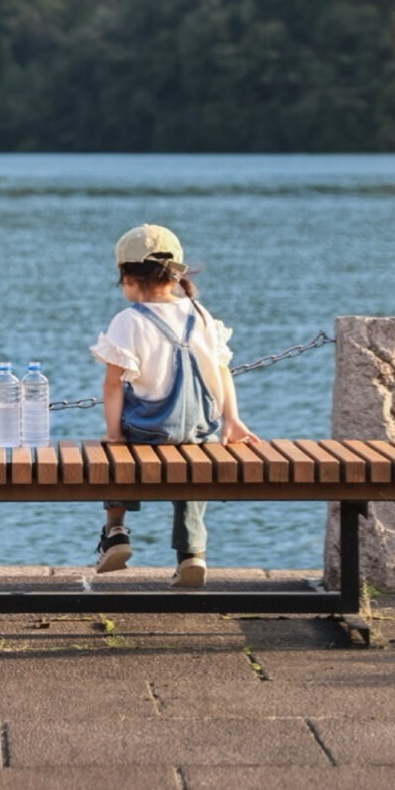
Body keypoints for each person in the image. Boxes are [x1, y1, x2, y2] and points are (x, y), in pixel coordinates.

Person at [90, 223, 258, 585]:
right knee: (193, 473)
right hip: (200, 431)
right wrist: (232, 419)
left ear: (126, 275)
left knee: (114, 457)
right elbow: (222, 370)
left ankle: (116, 531)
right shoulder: (200, 314)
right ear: (176, 274)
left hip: (147, 431)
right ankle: (192, 553)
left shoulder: (128, 321)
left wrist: (114, 434)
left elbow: (113, 386)